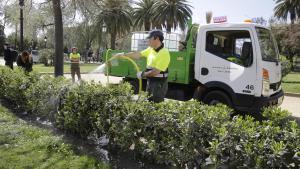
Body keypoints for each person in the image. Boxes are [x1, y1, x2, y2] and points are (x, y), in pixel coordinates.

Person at [114, 30, 170, 103]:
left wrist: (142, 74)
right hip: (151, 82)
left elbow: (155, 72)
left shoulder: (164, 53)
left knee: (155, 105)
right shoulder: (151, 49)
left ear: (157, 39)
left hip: (159, 84)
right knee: (149, 103)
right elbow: (138, 55)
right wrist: (123, 55)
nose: (148, 41)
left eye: (150, 39)